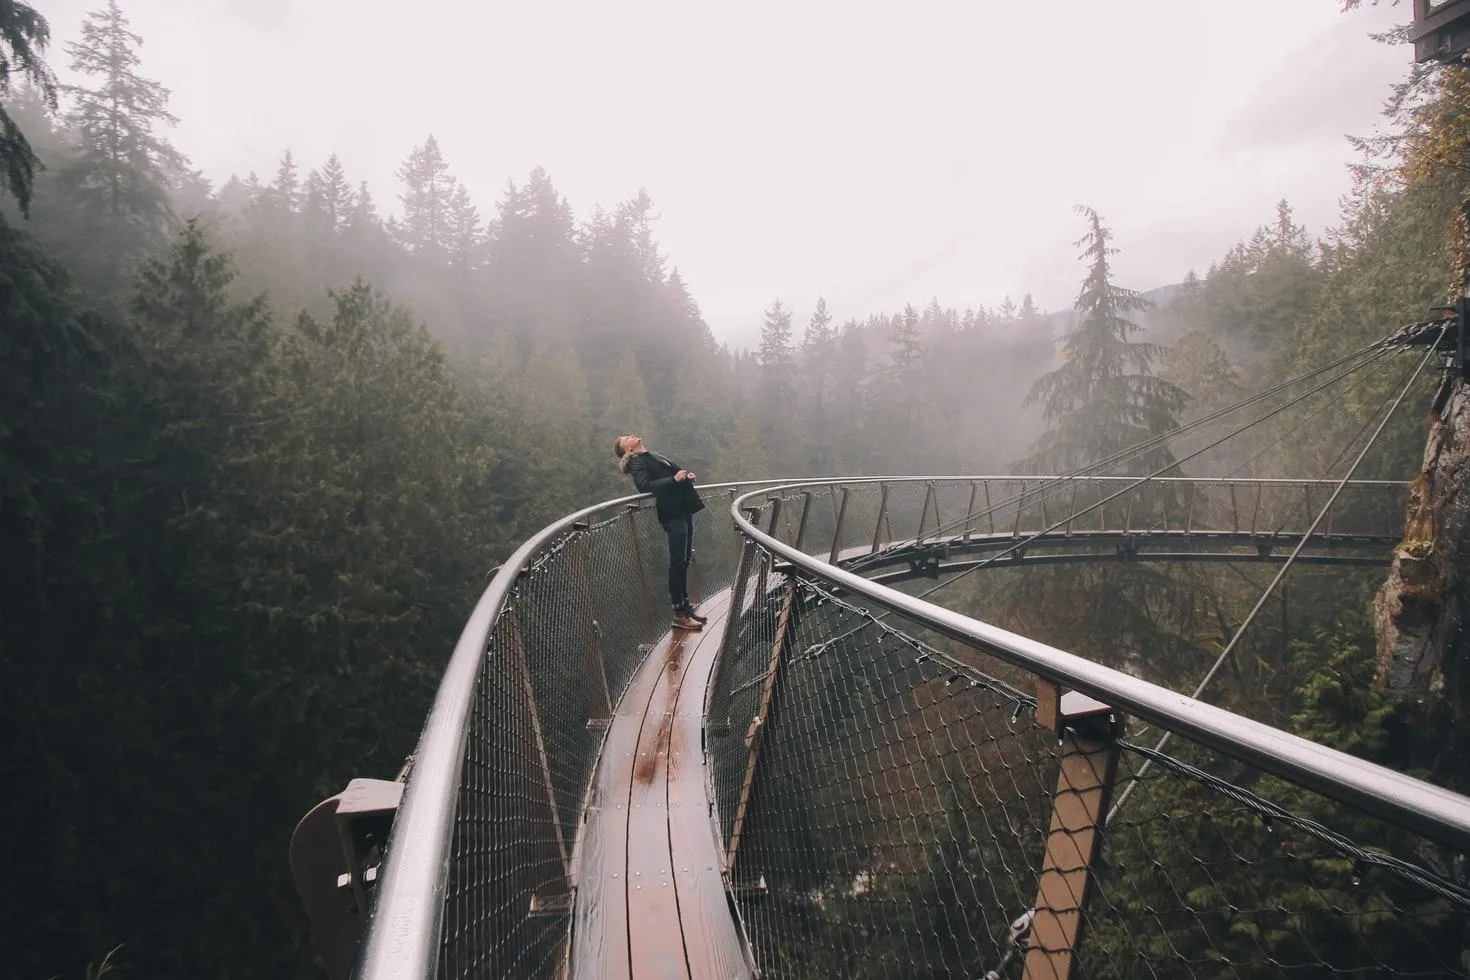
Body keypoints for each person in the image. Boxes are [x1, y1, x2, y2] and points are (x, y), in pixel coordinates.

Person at [614, 434, 708, 631]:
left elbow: (666, 478)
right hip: (672, 512)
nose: (631, 435)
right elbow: (644, 486)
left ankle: (686, 608)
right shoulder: (638, 461)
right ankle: (678, 614)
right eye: (626, 438)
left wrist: (684, 477)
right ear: (628, 450)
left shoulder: (652, 456)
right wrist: (674, 479)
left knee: (683, 561)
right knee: (677, 562)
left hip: (681, 508)